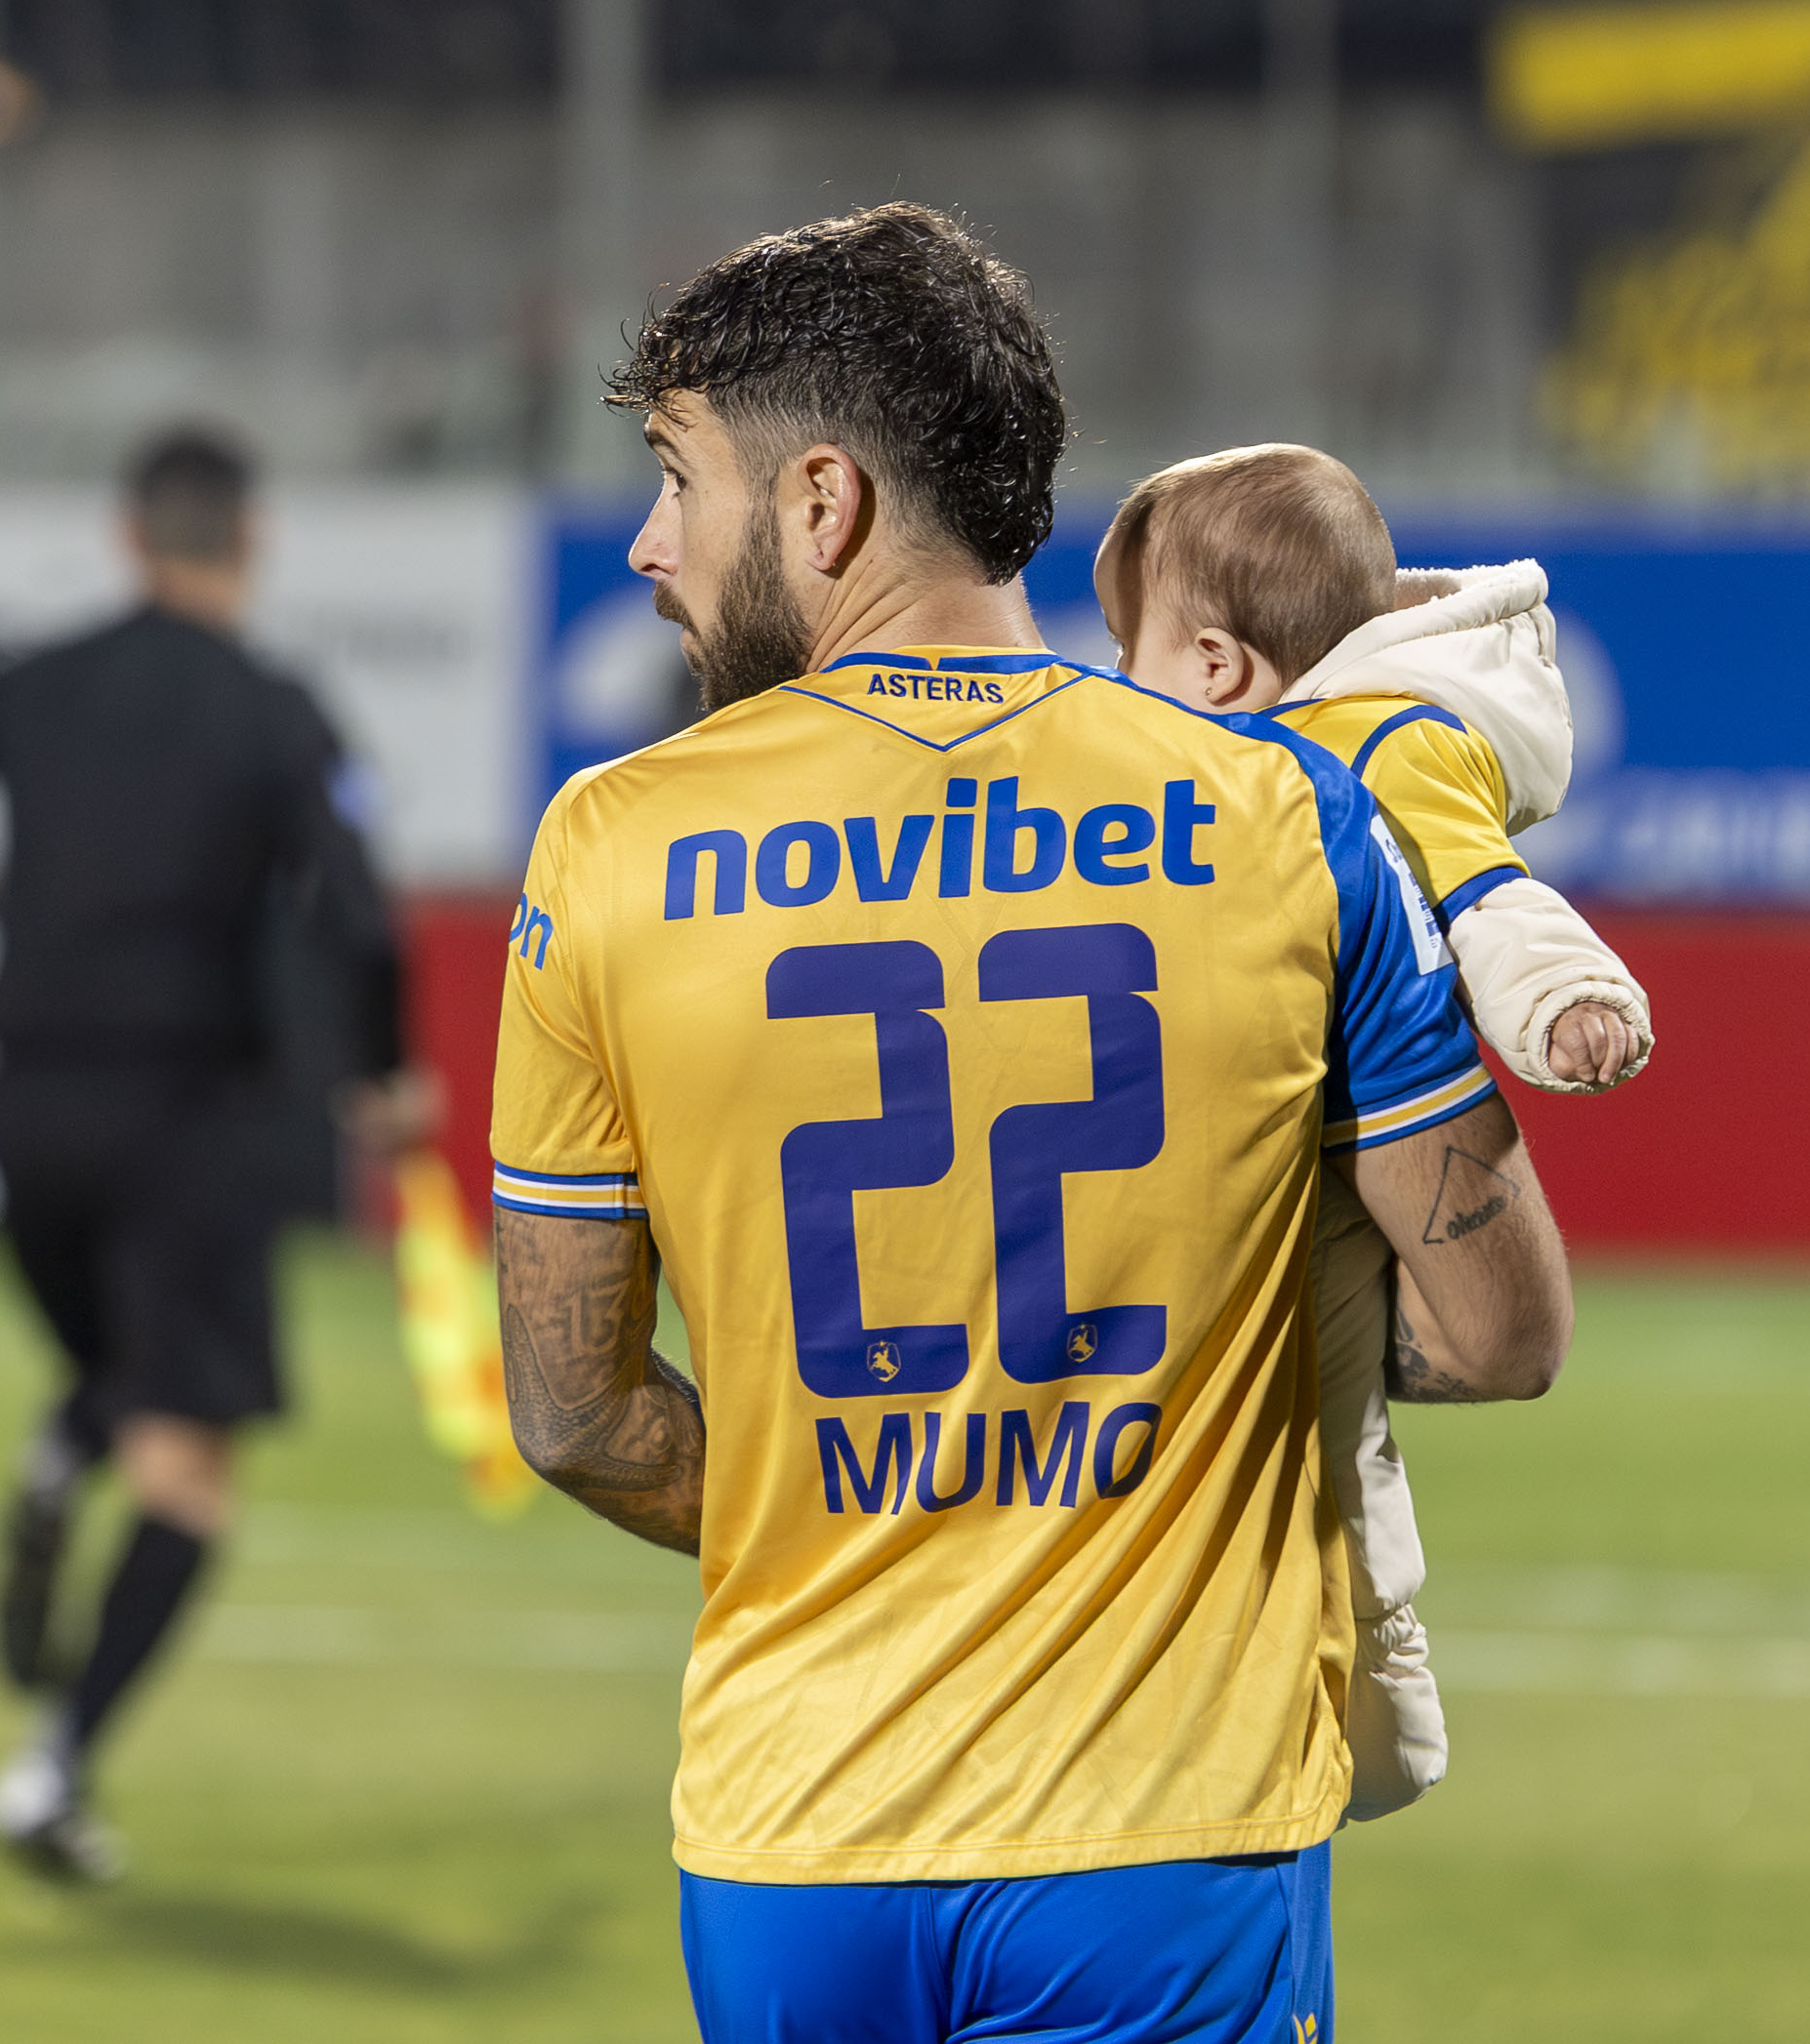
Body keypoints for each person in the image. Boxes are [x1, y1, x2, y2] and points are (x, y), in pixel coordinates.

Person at [487, 203, 1578, 2044]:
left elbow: (574, 1412)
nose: (651, 547)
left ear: (822, 502)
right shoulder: (1286, 817)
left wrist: (871, 1518)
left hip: (794, 1842)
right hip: (1170, 1835)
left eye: (677, 480)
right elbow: (1500, 1332)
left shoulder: (605, 849)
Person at [0, 424, 423, 1884]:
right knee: (187, 1469)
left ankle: (60, 1447)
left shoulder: (28, 679)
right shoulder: (274, 710)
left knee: (121, 1366)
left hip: (25, 1110)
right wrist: (382, 1074)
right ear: (252, 541)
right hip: (185, 1118)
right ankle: (52, 1771)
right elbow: (359, 917)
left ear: (129, 538)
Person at [1094, 441, 1655, 1821]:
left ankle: (1367, 1714)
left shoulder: (1364, 754)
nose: (1114, 684)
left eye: (1132, 653)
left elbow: (1491, 894)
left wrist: (1567, 997)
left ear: (1217, 667)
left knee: (1337, 1471)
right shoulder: (1283, 773)